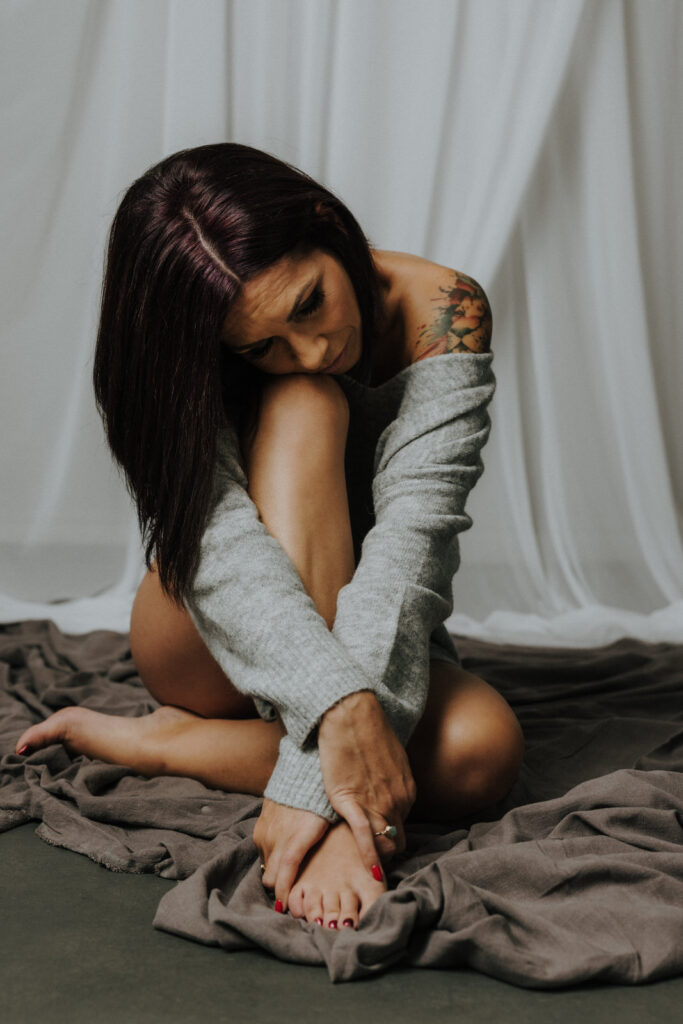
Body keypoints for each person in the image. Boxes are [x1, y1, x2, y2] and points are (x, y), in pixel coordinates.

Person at [15, 143, 524, 930]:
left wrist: (320, 758)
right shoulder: (206, 351)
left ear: (324, 223)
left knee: (479, 752)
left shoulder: (442, 308)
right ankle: (294, 753)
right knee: (307, 403)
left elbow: (415, 535)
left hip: (366, 616)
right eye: (261, 348)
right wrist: (339, 733)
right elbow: (218, 546)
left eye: (310, 303)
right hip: (211, 630)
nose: (315, 348)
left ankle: (171, 745)